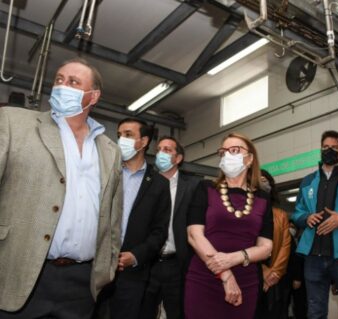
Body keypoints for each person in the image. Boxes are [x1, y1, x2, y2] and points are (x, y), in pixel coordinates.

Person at [0, 58, 123, 318]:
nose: (62, 86)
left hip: (81, 284)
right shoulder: (13, 123)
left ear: (93, 96)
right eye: (59, 79)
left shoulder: (110, 150)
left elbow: (112, 217)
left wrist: (108, 267)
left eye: (73, 82)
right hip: (19, 272)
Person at [185, 132, 273, 318]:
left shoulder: (263, 199)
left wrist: (234, 258)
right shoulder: (206, 188)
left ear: (249, 159)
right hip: (204, 278)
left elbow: (266, 247)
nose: (227, 155)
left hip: (246, 282)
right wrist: (225, 274)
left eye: (235, 150)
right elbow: (194, 235)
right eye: (223, 151)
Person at [93, 118, 170, 319]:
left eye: (128, 135)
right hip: (95, 267)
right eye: (119, 135)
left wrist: (135, 256)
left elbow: (159, 231)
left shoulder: (159, 184)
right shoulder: (104, 172)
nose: (121, 140)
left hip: (132, 275)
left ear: (143, 142)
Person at [291, 130, 338, 319]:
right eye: (325, 147)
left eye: (334, 148)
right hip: (313, 256)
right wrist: (305, 217)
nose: (328, 150)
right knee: (315, 309)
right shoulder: (308, 180)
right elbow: (296, 212)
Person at [139, 136, 201, 319]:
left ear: (178, 158)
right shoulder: (145, 183)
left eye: (167, 150)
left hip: (178, 263)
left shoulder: (192, 186)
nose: (161, 154)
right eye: (158, 149)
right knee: (142, 312)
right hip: (148, 263)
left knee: (178, 313)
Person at [256, 169, 292, 319]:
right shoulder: (247, 214)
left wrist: (275, 272)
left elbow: (285, 246)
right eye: (259, 181)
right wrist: (263, 270)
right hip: (254, 273)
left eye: (266, 181)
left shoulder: (281, 215)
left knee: (277, 312)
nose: (263, 184)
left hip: (276, 276)